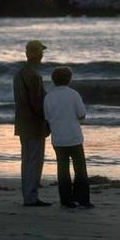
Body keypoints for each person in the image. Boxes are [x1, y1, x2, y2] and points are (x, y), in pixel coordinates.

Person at [44, 66, 94, 209]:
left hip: (58, 138)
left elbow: (47, 117)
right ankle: (83, 199)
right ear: (69, 79)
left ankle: (66, 200)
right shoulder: (73, 94)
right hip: (74, 137)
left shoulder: (49, 96)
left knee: (62, 169)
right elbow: (82, 115)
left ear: (53, 80)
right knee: (80, 169)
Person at [13, 40, 51, 207]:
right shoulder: (34, 75)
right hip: (34, 124)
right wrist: (47, 121)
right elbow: (37, 103)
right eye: (41, 52)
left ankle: (28, 195)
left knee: (27, 160)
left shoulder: (19, 73)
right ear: (36, 54)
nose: (42, 55)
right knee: (35, 160)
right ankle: (31, 197)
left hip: (22, 122)